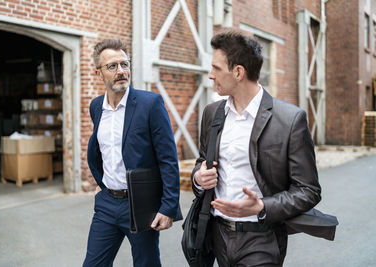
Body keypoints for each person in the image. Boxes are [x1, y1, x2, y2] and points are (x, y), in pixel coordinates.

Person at [191, 28, 322, 266]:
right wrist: (199, 177)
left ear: (238, 72)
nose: (210, 75)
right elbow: (202, 161)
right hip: (217, 235)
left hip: (262, 238)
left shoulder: (290, 120)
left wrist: (262, 206)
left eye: (216, 68)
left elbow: (308, 190)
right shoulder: (212, 113)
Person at [84, 38, 181, 267]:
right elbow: (100, 151)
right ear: (99, 73)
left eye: (124, 64)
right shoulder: (96, 107)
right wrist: (103, 184)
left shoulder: (150, 104)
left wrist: (168, 206)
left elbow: (168, 159)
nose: (121, 71)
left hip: (140, 205)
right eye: (112, 66)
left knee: (146, 263)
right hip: (107, 204)